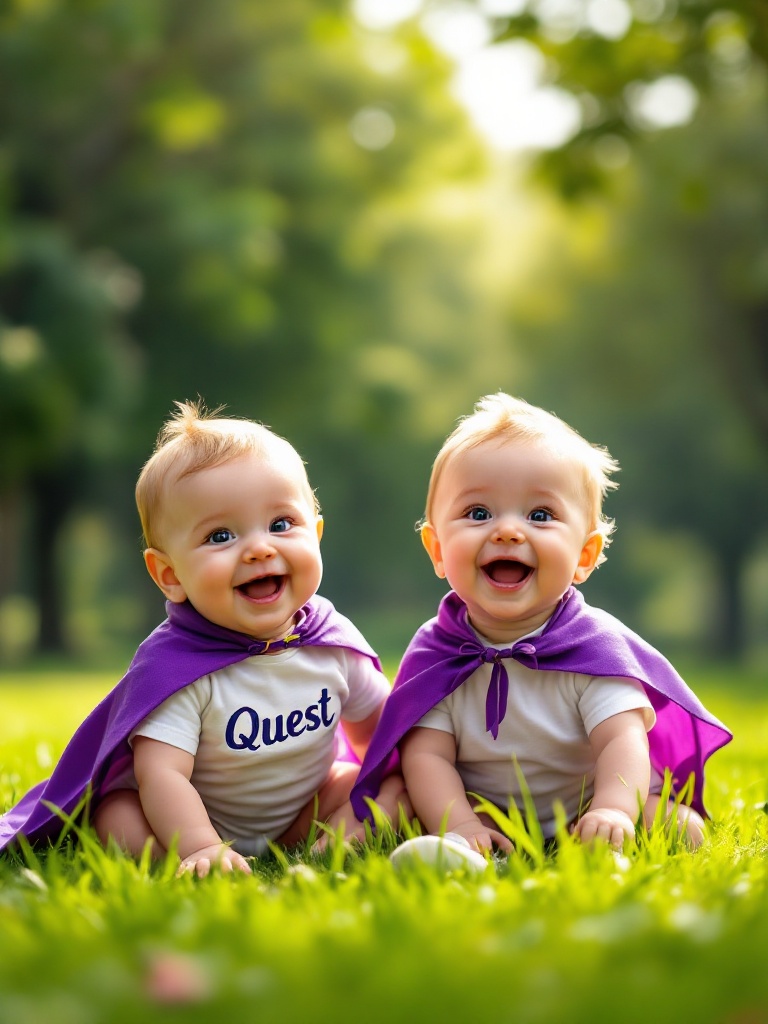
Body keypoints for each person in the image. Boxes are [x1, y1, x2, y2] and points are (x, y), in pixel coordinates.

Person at [1, 401, 404, 875]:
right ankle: (187, 860)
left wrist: (392, 789)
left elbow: (384, 735)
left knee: (371, 782)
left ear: (315, 535)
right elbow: (163, 775)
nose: (259, 548)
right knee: (117, 814)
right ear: (169, 574)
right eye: (220, 536)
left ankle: (336, 842)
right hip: (190, 815)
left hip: (299, 813)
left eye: (280, 525)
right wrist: (200, 844)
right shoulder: (176, 667)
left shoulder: (331, 643)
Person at [351, 393, 731, 857]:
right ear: (436, 549)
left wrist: (612, 810)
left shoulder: (593, 647)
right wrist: (463, 822)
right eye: (478, 513)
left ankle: (598, 839)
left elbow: (622, 739)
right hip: (486, 808)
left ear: (584, 556)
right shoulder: (438, 651)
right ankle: (460, 850)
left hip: (583, 806)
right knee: (400, 804)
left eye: (540, 516)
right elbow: (427, 755)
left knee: (682, 828)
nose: (508, 531)